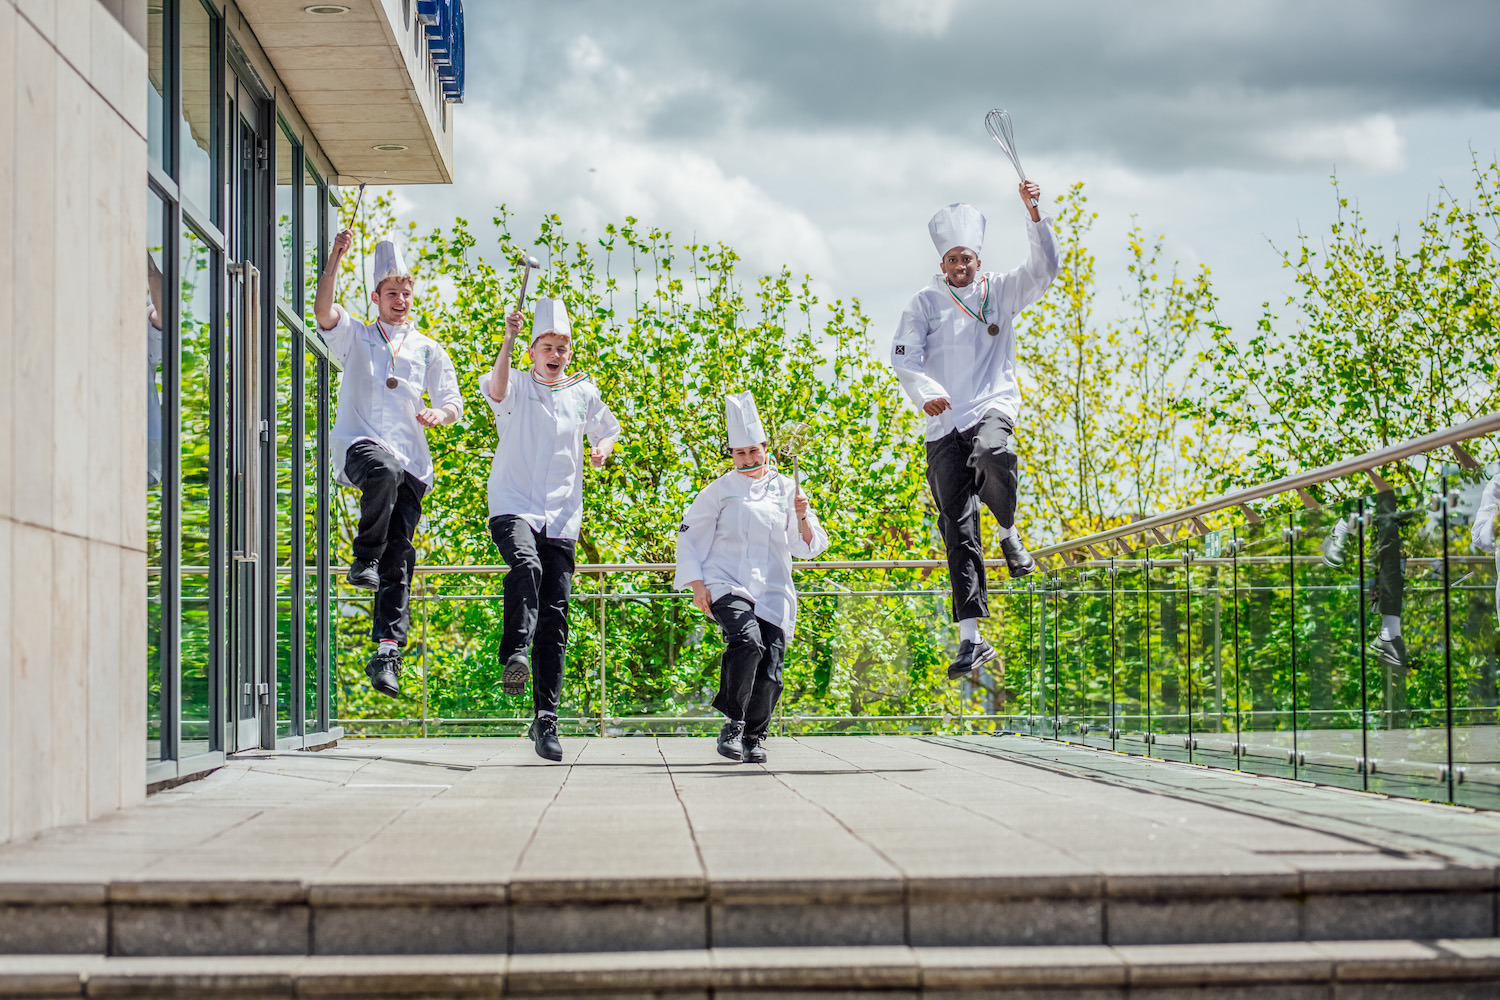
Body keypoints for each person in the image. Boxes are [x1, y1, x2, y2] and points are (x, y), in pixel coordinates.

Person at [890, 182, 1060, 681]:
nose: (959, 268)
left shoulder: (1000, 291)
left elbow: (1044, 269)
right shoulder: (924, 302)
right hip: (942, 422)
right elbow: (903, 355)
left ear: (978, 260)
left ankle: (1008, 533)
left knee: (992, 454)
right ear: (941, 264)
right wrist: (925, 393)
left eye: (966, 259)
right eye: (951, 261)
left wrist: (1034, 216)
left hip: (991, 404)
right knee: (957, 530)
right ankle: (972, 641)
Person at [314, 230, 463, 700]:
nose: (400, 299)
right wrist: (334, 259)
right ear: (375, 296)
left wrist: (441, 414)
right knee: (383, 473)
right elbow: (322, 311)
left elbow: (453, 401)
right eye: (391, 293)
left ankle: (386, 653)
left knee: (401, 554)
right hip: (360, 444)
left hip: (413, 460)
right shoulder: (356, 334)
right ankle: (363, 558)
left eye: (405, 292)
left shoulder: (428, 348)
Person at [482, 297, 621, 762]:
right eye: (548, 345)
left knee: (556, 616)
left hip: (562, 515)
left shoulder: (583, 390)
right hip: (513, 504)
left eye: (563, 346)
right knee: (524, 564)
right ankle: (515, 654)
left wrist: (601, 448)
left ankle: (545, 719)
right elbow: (495, 390)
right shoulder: (516, 384)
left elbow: (608, 428)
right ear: (533, 349)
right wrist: (508, 338)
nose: (557, 353)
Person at [674, 392, 829, 764]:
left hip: (774, 590)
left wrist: (803, 515)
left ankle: (755, 738)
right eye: (739, 453)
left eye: (753, 452)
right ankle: (733, 722)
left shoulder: (788, 489)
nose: (746, 459)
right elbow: (689, 537)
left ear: (765, 449)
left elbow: (806, 547)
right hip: (726, 581)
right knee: (747, 642)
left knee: (772, 670)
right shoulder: (719, 491)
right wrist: (697, 585)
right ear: (731, 454)